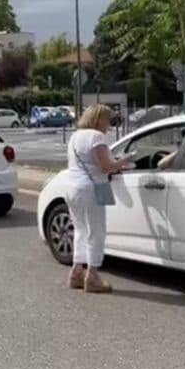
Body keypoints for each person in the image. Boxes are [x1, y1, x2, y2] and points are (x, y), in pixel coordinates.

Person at [65, 104, 135, 293]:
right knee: (96, 232)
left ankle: (76, 272)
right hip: (91, 189)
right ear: (99, 120)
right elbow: (105, 167)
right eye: (107, 119)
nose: (109, 124)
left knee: (80, 229)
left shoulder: (75, 136)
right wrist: (126, 160)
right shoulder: (96, 137)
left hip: (72, 187)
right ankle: (92, 276)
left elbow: (91, 163)